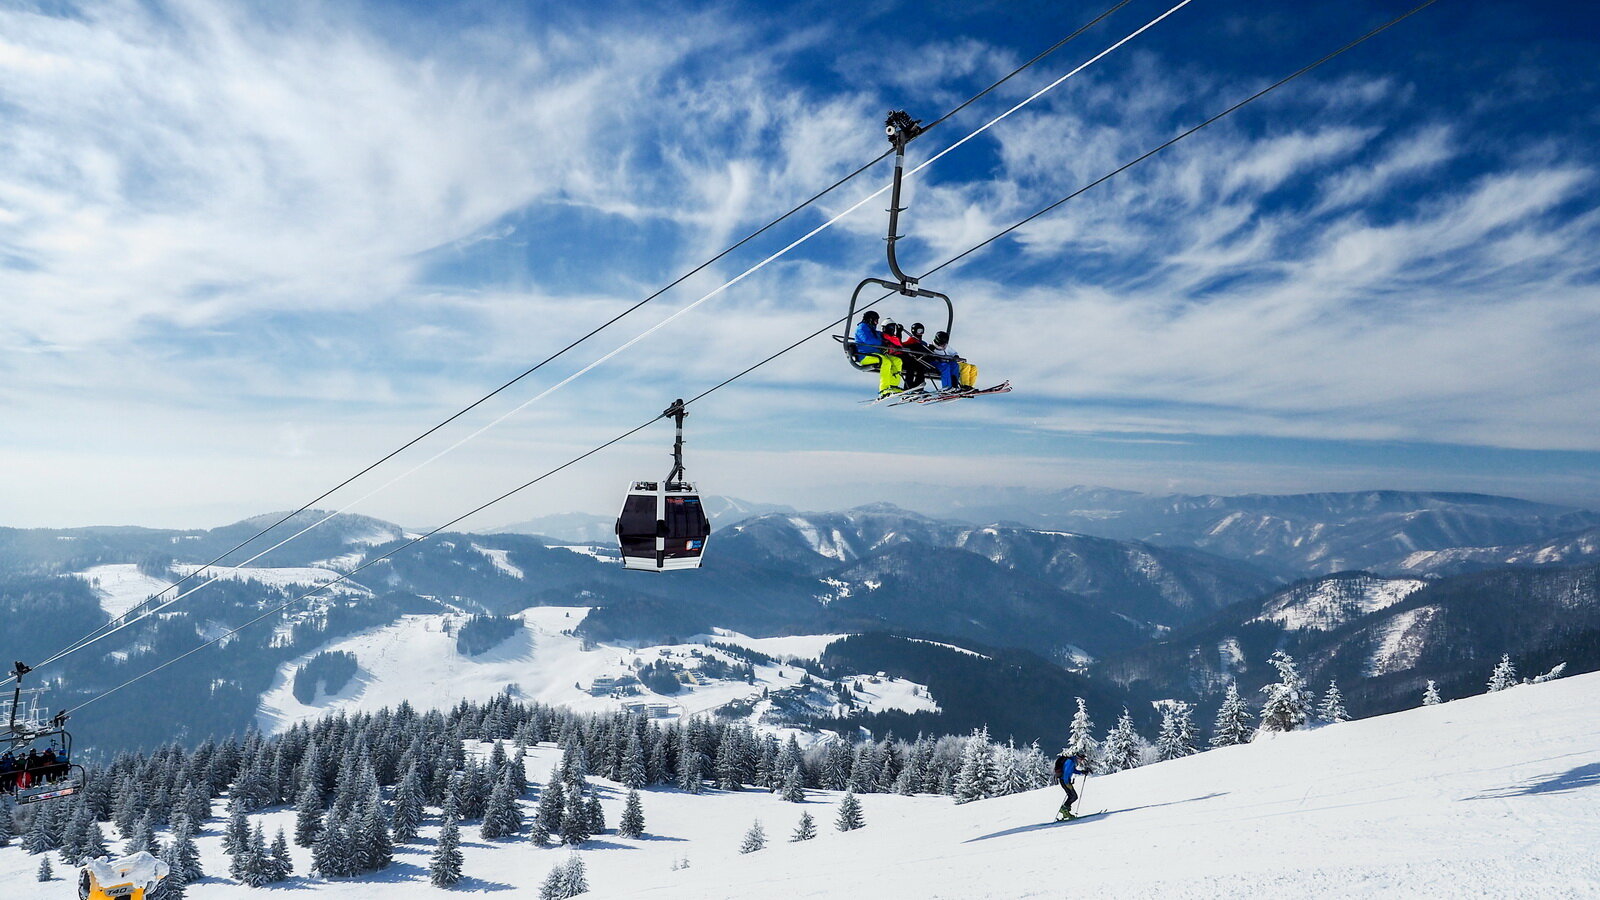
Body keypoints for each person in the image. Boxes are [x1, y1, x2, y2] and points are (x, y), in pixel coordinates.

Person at [851, 311, 904, 397]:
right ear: (870, 319)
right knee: (886, 362)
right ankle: (883, 389)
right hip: (865, 355)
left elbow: (884, 337)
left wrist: (892, 338)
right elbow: (869, 340)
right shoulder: (862, 328)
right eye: (876, 320)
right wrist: (882, 344)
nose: (877, 323)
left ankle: (893, 386)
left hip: (876, 355)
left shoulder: (873, 330)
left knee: (897, 361)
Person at [1053, 750, 1093, 819]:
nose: (1082, 760)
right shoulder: (1070, 762)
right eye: (1081, 759)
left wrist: (1082, 772)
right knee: (1074, 796)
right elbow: (1066, 774)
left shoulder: (1072, 761)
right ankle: (1064, 810)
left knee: (1071, 796)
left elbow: (1073, 770)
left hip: (1064, 781)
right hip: (1065, 781)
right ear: (1078, 757)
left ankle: (1065, 812)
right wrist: (1067, 784)